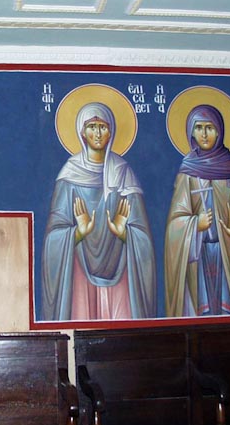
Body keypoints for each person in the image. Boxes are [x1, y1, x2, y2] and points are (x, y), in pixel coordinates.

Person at [41, 101, 157, 321]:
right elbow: (52, 238)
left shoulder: (123, 173)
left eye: (102, 127)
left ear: (111, 131)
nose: (97, 133)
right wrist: (78, 233)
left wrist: (125, 234)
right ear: (82, 132)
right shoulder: (69, 175)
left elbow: (144, 238)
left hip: (120, 268)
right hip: (79, 270)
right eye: (91, 127)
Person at [164, 104, 230, 317]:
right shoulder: (187, 174)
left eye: (210, 128)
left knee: (229, 313)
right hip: (199, 255)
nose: (204, 134)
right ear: (191, 132)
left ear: (219, 131)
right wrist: (195, 225)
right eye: (199, 128)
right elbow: (173, 228)